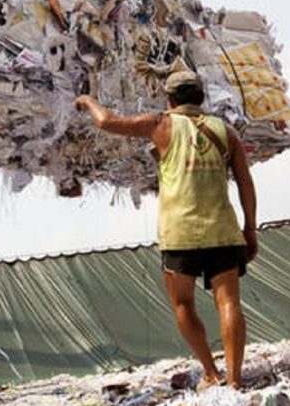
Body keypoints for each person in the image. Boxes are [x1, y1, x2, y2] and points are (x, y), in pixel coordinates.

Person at [74, 70, 258, 389]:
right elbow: (245, 183)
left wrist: (88, 101)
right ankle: (236, 380)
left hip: (180, 235)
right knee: (228, 303)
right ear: (201, 97)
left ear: (169, 99)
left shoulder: (159, 124)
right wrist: (250, 229)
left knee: (182, 304)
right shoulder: (225, 131)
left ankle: (212, 373)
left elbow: (106, 121)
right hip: (223, 231)